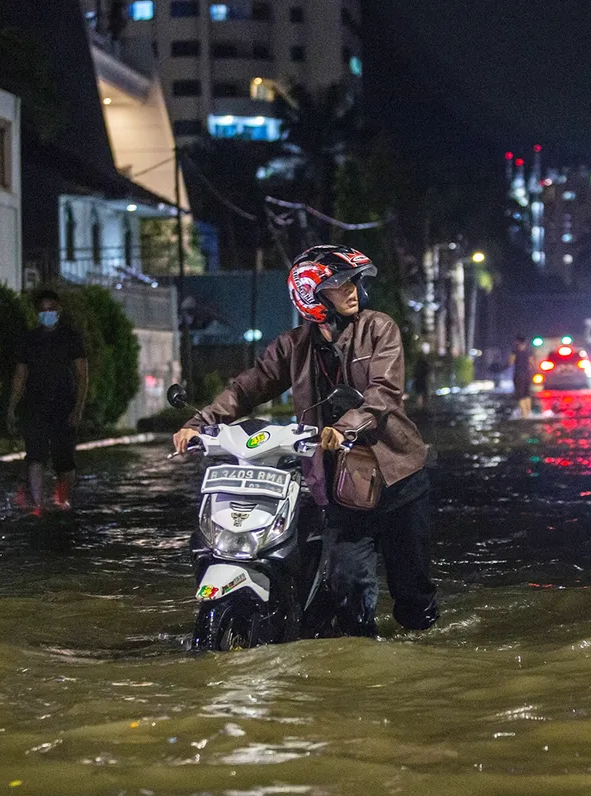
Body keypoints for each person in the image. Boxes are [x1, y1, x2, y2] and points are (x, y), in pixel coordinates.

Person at [173, 245, 437, 638]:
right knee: (346, 584)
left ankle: (423, 651)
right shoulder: (292, 345)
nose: (351, 290)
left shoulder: (379, 328)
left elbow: (383, 392)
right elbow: (247, 388)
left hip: (397, 476)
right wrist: (199, 422)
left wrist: (344, 427)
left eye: (352, 282)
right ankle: (358, 661)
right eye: (338, 284)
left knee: (413, 596)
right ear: (311, 295)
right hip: (340, 488)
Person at [7, 290, 88, 514]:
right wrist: (12, 407)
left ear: (59, 310)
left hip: (63, 405)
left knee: (64, 461)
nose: (47, 314)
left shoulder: (70, 337)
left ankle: (63, 500)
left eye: (51, 309)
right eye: (42, 310)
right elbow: (20, 375)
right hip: (35, 405)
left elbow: (82, 375)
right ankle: (38, 506)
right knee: (35, 456)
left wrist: (78, 408)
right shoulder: (30, 340)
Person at [510, 334, 534, 418]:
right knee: (527, 394)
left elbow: (510, 362)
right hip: (527, 375)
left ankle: (524, 415)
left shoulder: (515, 351)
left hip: (518, 375)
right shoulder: (528, 352)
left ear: (517, 342)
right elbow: (532, 363)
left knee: (520, 396)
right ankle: (529, 413)